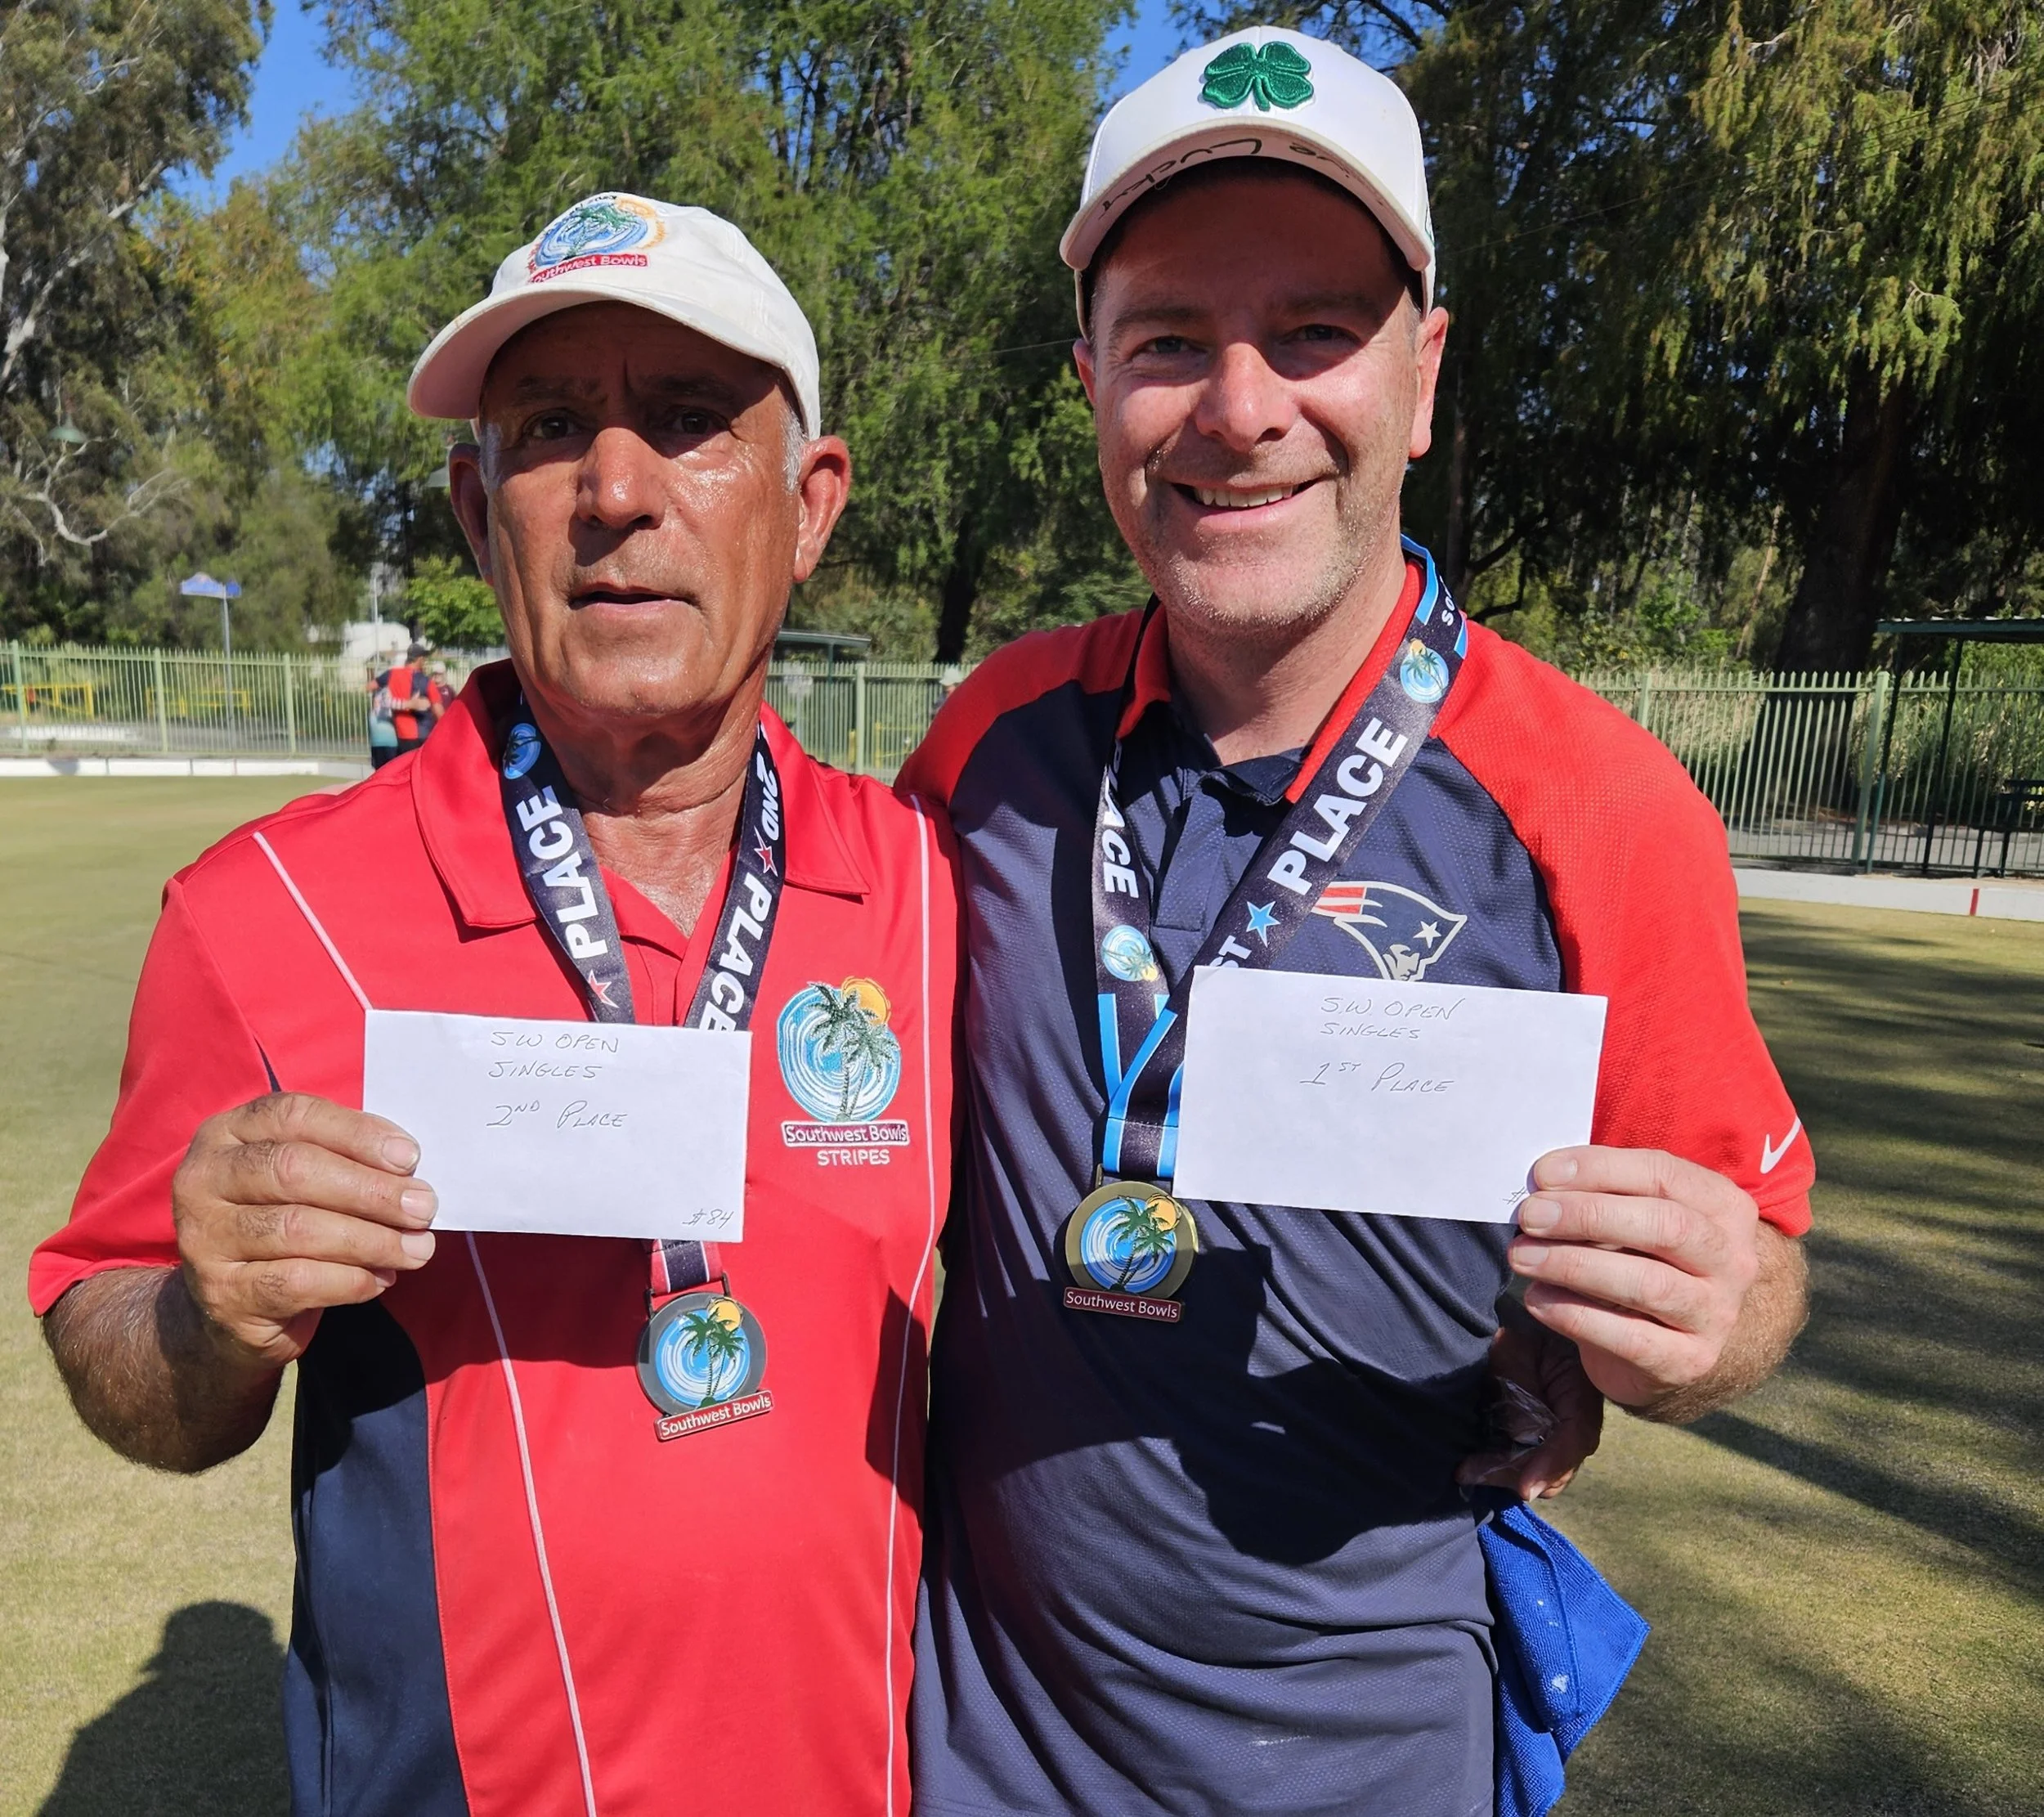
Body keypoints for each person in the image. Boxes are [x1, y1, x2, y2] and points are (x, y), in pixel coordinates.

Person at [899, 29, 1813, 1816]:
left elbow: (1748, 1253)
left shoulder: (1596, 805)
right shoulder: (985, 749)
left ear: (1420, 373)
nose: (1238, 409)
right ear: (1088, 378)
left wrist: (1705, 1323)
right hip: (972, 1756)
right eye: (1167, 339)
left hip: (1371, 1765)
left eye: (1310, 331)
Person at [32, 193, 956, 1815]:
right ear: (477, 511)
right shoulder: (266, 913)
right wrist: (200, 1314)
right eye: (548, 431)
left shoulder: (937, 895)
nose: (614, 491)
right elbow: (119, 1347)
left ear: (807, 507)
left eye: (687, 423)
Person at [373, 640, 437, 758]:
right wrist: (409, 704)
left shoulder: (392, 677)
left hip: (401, 734)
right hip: (416, 734)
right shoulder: (426, 681)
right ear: (420, 659)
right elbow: (438, 710)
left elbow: (381, 699)